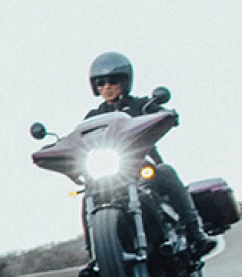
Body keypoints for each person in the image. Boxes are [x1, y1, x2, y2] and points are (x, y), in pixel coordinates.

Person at [81, 50, 214, 258]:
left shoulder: (142, 105)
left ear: (125, 82)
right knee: (88, 193)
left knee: (165, 172)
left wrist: (167, 114)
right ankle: (95, 255)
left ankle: (196, 232)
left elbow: (163, 113)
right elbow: (79, 137)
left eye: (113, 81)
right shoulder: (93, 116)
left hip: (142, 165)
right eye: (101, 83)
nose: (107, 87)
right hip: (110, 172)